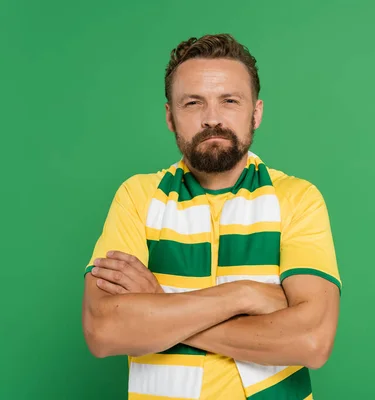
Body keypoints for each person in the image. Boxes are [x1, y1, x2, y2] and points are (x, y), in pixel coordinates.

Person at [81, 33, 342, 400]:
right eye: (192, 103)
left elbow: (312, 340)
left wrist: (160, 302)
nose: (212, 119)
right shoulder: (137, 197)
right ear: (170, 117)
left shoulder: (297, 198)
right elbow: (104, 330)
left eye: (230, 101)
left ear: (256, 112)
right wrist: (245, 295)